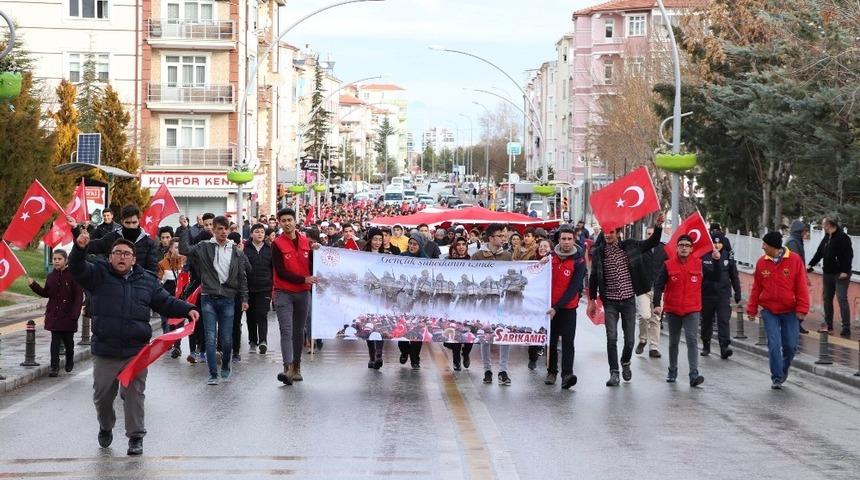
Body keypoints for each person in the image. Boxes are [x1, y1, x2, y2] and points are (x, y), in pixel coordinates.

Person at [69, 230, 198, 456]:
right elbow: (77, 268)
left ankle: (136, 437)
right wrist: (79, 248)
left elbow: (165, 302)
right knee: (102, 397)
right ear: (110, 257)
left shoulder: (146, 280)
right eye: (117, 253)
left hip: (136, 351)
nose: (122, 257)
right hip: (106, 350)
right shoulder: (98, 274)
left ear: (134, 258)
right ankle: (106, 425)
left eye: (126, 254)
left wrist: (188, 309)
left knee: (134, 393)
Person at [588, 213, 665, 387]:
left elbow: (652, 242)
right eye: (605, 232)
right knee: (611, 338)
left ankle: (625, 361)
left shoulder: (630, 246)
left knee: (629, 340)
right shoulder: (599, 252)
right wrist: (592, 300)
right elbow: (593, 278)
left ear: (618, 233)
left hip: (628, 300)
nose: (608, 235)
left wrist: (658, 226)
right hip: (610, 302)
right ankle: (614, 372)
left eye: (611, 232)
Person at [179, 215, 249, 385]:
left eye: (226, 229)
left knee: (226, 339)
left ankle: (225, 364)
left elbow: (243, 275)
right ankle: (212, 374)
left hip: (228, 298)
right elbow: (184, 249)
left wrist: (244, 298)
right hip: (208, 298)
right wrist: (185, 228)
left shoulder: (236, 251)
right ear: (214, 230)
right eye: (219, 229)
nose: (223, 232)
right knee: (210, 338)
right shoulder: (204, 246)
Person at [653, 235, 720, 386]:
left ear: (691, 248)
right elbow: (658, 285)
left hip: (692, 309)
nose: (684, 248)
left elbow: (715, 277)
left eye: (687, 245)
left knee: (692, 340)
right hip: (673, 309)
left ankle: (694, 374)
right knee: (673, 342)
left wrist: (716, 261)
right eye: (681, 245)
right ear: (677, 247)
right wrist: (656, 304)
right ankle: (672, 370)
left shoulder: (699, 264)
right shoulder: (668, 265)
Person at [747, 232, 810, 389]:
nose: (762, 247)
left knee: (790, 346)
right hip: (770, 311)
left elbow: (802, 286)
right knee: (774, 345)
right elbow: (756, 288)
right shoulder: (762, 263)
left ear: (774, 247)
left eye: (765, 245)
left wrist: (802, 308)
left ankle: (783, 369)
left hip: (790, 311)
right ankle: (776, 377)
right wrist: (751, 309)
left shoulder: (794, 260)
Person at [271, 208, 318, 385]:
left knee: (299, 331)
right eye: (283, 221)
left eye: (289, 220)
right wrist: (303, 279)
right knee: (286, 330)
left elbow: (314, 264)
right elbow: (280, 271)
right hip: (283, 292)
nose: (287, 223)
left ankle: (297, 368)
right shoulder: (277, 244)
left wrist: (318, 251)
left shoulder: (306, 241)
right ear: (279, 223)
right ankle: (287, 368)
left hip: (303, 293)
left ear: (295, 221)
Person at [27, 249, 84, 377]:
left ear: (66, 260)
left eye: (59, 259)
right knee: (55, 342)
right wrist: (33, 285)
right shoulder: (51, 276)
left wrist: (74, 315)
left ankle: (69, 360)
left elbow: (78, 297)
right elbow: (46, 293)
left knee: (69, 342)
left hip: (68, 316)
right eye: (54, 259)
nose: (57, 261)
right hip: (54, 315)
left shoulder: (73, 275)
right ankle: (54, 367)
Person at [545, 226, 586, 389]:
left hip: (568, 308)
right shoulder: (550, 257)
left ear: (574, 240)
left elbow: (574, 288)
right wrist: (539, 263)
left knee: (568, 342)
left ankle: (567, 374)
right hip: (549, 308)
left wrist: (557, 307)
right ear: (558, 240)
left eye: (569, 239)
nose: (566, 242)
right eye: (563, 239)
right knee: (551, 341)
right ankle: (551, 372)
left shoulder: (579, 261)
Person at [472, 223, 514, 385]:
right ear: (490, 238)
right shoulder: (478, 256)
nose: (503, 239)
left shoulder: (507, 256)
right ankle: (487, 370)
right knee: (486, 335)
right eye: (499, 236)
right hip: (484, 303)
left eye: (504, 236)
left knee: (504, 333)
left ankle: (503, 370)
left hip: (502, 302)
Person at [76, 205, 160, 274]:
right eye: (127, 223)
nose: (131, 226)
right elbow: (88, 246)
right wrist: (75, 230)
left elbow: (152, 269)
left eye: (134, 222)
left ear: (139, 221)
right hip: (114, 283)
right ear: (122, 222)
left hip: (139, 285)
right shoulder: (112, 237)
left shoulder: (148, 242)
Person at [808, 218, 854, 337]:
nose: (822, 226)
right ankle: (828, 326)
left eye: (823, 224)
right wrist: (811, 264)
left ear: (828, 225)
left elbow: (849, 255)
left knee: (841, 299)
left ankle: (846, 328)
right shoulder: (827, 237)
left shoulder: (843, 237)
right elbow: (819, 252)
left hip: (840, 274)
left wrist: (845, 270)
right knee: (827, 299)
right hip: (828, 273)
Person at [700, 233, 742, 359]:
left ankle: (724, 347)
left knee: (723, 320)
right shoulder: (704, 256)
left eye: (719, 243)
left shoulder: (728, 256)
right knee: (706, 321)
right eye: (714, 242)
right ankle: (706, 345)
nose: (717, 245)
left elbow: (734, 276)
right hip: (707, 294)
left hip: (723, 294)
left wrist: (737, 293)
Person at [635, 226, 666, 359]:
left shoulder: (664, 249)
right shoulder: (640, 248)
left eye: (652, 234)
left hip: (658, 289)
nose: (650, 236)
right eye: (648, 234)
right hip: (643, 288)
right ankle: (643, 339)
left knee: (656, 318)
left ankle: (653, 347)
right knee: (644, 315)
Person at [398, 233, 428, 368]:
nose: (412, 246)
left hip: (419, 300)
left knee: (417, 328)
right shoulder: (402, 257)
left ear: (420, 245)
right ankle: (404, 351)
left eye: (415, 244)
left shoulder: (426, 260)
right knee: (402, 325)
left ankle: (415, 358)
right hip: (405, 297)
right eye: (410, 243)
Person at [443, 237, 473, 371]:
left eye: (463, 244)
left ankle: (466, 353)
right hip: (455, 303)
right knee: (455, 331)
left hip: (469, 304)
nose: (461, 247)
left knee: (469, 331)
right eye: (458, 244)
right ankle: (456, 361)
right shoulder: (448, 262)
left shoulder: (473, 262)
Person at [362, 228, 390, 369]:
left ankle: (379, 354)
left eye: (380, 239)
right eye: (375, 239)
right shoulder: (361, 255)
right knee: (369, 324)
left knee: (380, 323)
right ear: (370, 240)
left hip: (382, 296)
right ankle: (371, 356)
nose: (378, 242)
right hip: (368, 296)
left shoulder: (387, 256)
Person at [244, 223, 273, 355]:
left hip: (264, 288)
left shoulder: (269, 249)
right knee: (250, 316)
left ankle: (263, 341)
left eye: (262, 232)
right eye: (257, 231)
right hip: (248, 288)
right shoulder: (245, 249)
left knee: (262, 314)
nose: (259, 234)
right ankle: (252, 340)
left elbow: (273, 268)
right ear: (251, 234)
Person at [157, 238, 186, 358]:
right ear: (170, 249)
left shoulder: (185, 261)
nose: (179, 250)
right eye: (176, 247)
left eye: (180, 247)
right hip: (166, 298)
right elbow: (159, 282)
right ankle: (168, 342)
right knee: (167, 322)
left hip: (181, 297)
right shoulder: (162, 263)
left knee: (179, 322)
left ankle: (177, 347)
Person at [785, 220, 811, 334]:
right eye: (804, 231)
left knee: (800, 301)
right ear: (798, 231)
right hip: (794, 277)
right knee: (798, 301)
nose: (805, 233)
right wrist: (802, 276)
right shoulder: (792, 242)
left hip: (797, 276)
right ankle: (794, 324)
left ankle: (797, 324)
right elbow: (796, 261)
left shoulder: (796, 241)